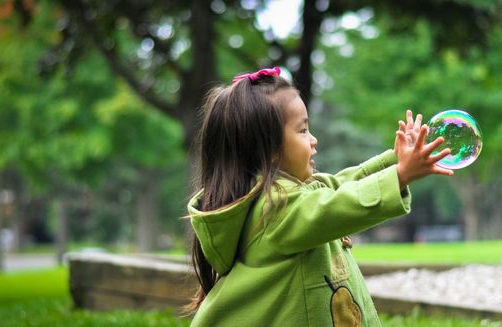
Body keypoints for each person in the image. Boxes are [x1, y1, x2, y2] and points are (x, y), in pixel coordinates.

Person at [185, 67, 453, 326]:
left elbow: (339, 185)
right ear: (270, 150)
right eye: (302, 131)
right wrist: (400, 175)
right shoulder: (274, 210)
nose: (313, 140)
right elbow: (335, 205)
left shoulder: (291, 195)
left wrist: (397, 160)